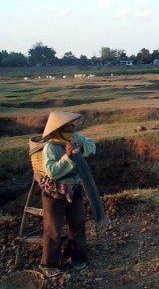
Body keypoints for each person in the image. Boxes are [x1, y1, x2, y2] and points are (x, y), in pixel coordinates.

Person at [38, 110, 96, 278]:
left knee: (78, 224)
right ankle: (48, 263)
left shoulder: (75, 138)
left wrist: (83, 147)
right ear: (59, 128)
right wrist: (68, 157)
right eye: (67, 126)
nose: (71, 127)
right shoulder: (50, 147)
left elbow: (92, 145)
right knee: (53, 229)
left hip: (74, 189)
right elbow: (51, 171)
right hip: (54, 193)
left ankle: (77, 258)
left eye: (71, 125)